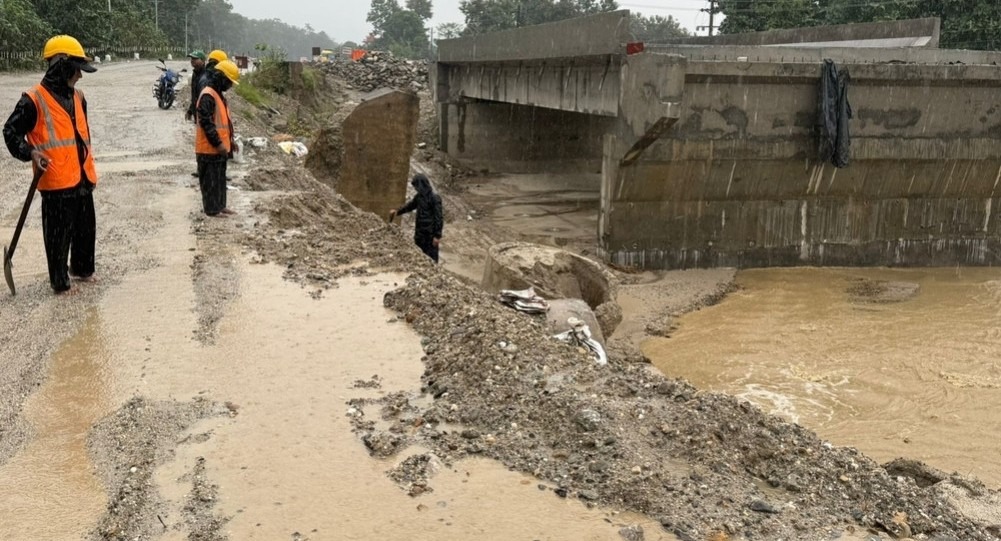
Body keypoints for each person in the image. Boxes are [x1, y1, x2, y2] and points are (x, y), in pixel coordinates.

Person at [3, 35, 99, 295]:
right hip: (56, 181)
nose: (80, 76)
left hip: (81, 175)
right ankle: (60, 282)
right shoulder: (34, 99)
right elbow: (10, 132)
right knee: (58, 236)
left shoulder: (79, 96)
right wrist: (30, 152)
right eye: (77, 69)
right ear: (62, 66)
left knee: (85, 228)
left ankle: (82, 270)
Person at [195, 59, 239, 217]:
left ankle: (220, 206)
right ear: (221, 78)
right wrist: (218, 144)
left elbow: (224, 123)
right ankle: (212, 210)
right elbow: (207, 123)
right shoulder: (208, 95)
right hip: (208, 149)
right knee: (210, 181)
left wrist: (230, 143)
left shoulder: (218, 95)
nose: (230, 85)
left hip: (219, 148)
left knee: (220, 180)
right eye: (229, 81)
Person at [388, 174, 444, 263]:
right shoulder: (419, 197)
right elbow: (410, 206)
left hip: (430, 235)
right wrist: (397, 211)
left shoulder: (434, 198)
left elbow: (439, 218)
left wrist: (437, 236)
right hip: (419, 233)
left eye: (417, 187)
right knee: (419, 256)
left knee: (431, 259)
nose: (416, 189)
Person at [184, 50, 206, 123]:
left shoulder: (205, 76)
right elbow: (195, 96)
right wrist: (190, 110)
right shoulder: (195, 74)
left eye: (195, 59)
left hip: (204, 115)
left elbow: (204, 98)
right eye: (191, 59)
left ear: (203, 61)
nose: (192, 61)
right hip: (196, 114)